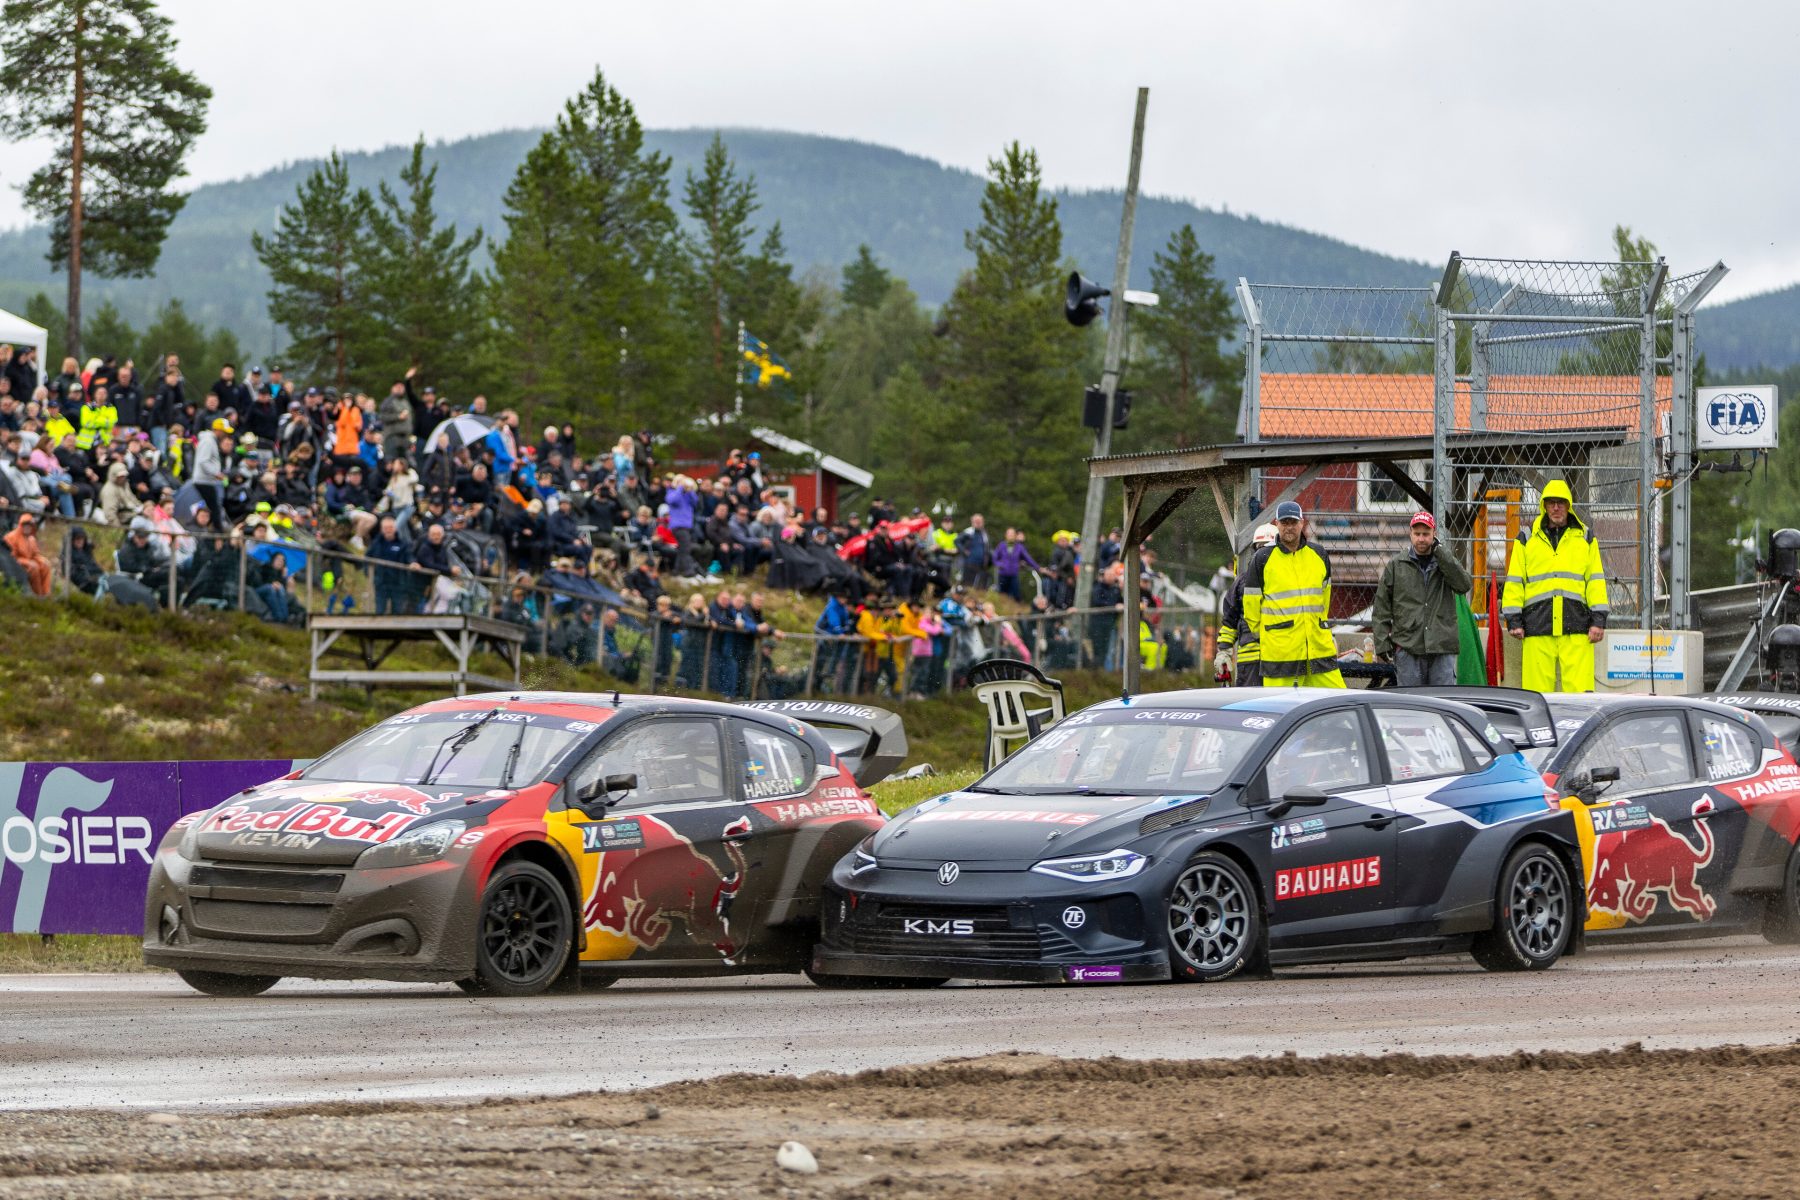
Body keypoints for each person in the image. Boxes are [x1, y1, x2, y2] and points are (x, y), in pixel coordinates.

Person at [1501, 478, 1608, 692]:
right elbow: (1515, 580)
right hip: (1538, 625)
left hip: (1576, 626)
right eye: (1551, 503)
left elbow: (1595, 581)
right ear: (1544, 506)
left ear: (1569, 505)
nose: (1556, 507)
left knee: (1580, 695)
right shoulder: (1527, 538)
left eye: (1561, 502)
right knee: (1536, 693)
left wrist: (1598, 620)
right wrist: (1513, 619)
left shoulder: (1585, 538)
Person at [1242, 500, 1344, 688]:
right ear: (1276, 524)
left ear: (1302, 523)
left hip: (1319, 651)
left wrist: (1317, 627)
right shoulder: (1262, 558)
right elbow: (1251, 609)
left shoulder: (1319, 555)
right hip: (1280, 655)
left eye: (1293, 522)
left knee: (1339, 700)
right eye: (1284, 522)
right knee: (1279, 704)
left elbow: (1324, 601)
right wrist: (1270, 638)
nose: (1289, 527)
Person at [1373, 510, 1472, 687]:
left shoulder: (1444, 562)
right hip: (1408, 647)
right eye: (1417, 534)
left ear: (1434, 534)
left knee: (1442, 701)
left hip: (1441, 647)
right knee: (1410, 702)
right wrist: (1382, 644)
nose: (1421, 539)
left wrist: (1441, 553)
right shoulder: (1396, 565)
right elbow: (1381, 608)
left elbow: (1463, 585)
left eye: (1426, 534)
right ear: (1410, 534)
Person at [1216, 523, 1278, 686]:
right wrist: (1224, 653)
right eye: (1261, 547)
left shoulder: (1288, 581)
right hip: (1250, 662)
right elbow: (1229, 623)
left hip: (1281, 659)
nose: (1264, 552)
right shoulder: (1241, 582)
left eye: (1268, 548)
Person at [3, 512, 51, 595]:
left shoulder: (31, 539)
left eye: (30, 525)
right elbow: (11, 557)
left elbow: (35, 555)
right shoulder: (11, 537)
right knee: (34, 567)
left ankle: (45, 593)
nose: (27, 527)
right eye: (25, 525)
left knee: (46, 565)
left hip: (29, 562)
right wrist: (27, 562)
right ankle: (38, 594)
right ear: (20, 525)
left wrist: (42, 560)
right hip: (16, 565)